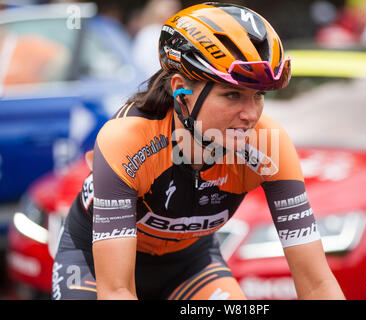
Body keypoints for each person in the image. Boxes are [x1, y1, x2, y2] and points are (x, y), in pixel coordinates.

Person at [52, 2, 346, 300]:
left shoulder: (269, 145)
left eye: (258, 95)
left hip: (189, 265)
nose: (250, 114)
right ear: (182, 92)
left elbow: (317, 285)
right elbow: (117, 290)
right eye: (233, 94)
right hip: (94, 263)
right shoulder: (127, 141)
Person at [132, 0, 181, 78]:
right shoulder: (151, 33)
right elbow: (145, 65)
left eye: (177, 10)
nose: (176, 14)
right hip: (154, 81)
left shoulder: (161, 32)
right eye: (171, 9)